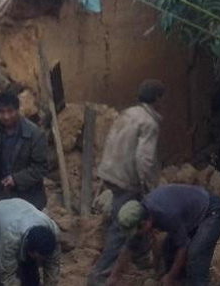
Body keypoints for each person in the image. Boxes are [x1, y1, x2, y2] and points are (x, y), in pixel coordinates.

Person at [87, 80, 165, 286]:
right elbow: (144, 158)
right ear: (157, 98)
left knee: (140, 214)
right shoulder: (149, 122)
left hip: (111, 172)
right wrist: (149, 186)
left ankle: (139, 255)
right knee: (121, 226)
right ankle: (100, 275)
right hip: (127, 179)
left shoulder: (128, 113)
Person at [109, 184, 220, 286]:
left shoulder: (166, 214)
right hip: (191, 217)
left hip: (212, 211)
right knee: (168, 249)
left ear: (145, 223)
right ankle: (181, 282)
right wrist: (114, 276)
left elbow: (183, 246)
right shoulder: (140, 213)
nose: (137, 235)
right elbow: (128, 247)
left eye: (137, 231)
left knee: (196, 254)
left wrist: (170, 276)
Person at [0, 89, 50, 210]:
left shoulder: (34, 134)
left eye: (10, 111)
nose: (6, 116)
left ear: (17, 110)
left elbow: (41, 168)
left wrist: (16, 179)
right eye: (2, 112)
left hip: (28, 198)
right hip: (1, 195)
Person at [0, 198, 62, 286]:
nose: (41, 261)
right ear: (30, 250)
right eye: (38, 257)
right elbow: (8, 276)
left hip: (21, 210)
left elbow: (53, 266)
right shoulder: (10, 237)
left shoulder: (53, 232)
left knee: (30, 271)